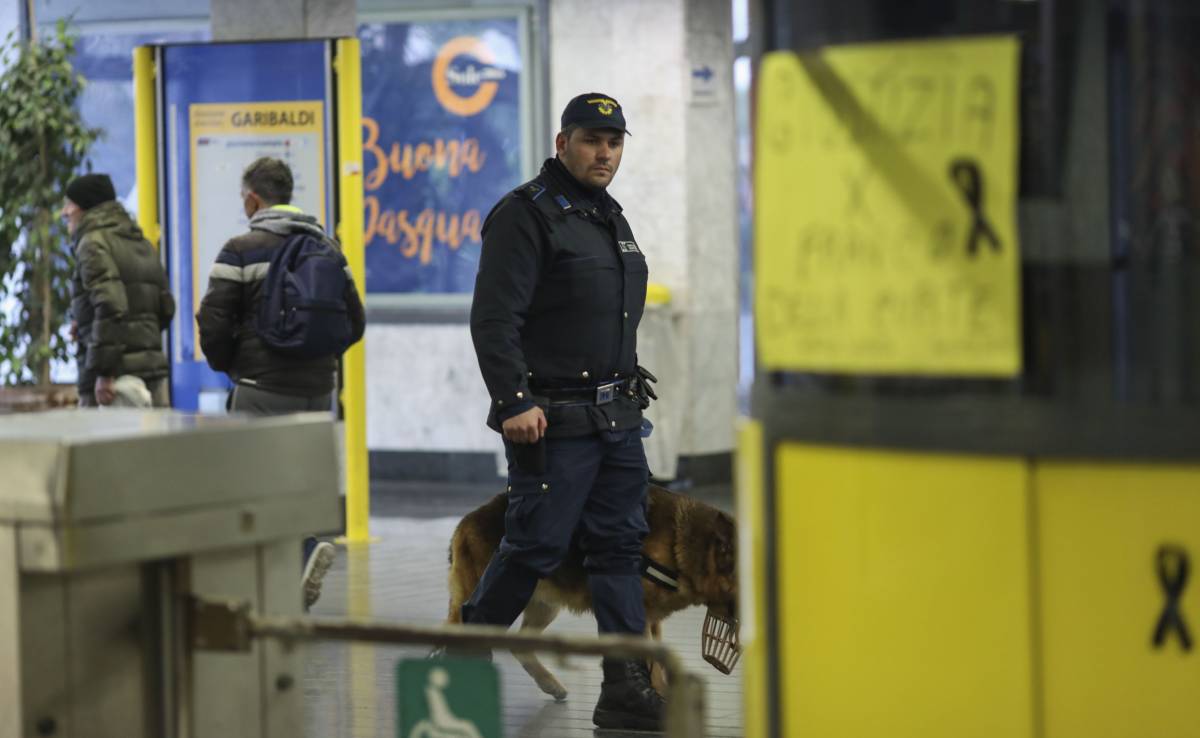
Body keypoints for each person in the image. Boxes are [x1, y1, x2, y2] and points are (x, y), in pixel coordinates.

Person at [464, 92, 662, 731]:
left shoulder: (608, 215)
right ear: (562, 143)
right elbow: (495, 319)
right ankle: (457, 661)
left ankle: (625, 688)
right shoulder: (526, 215)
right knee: (534, 547)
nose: (605, 153)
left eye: (615, 142)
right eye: (591, 140)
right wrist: (513, 401)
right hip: (552, 421)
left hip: (616, 420)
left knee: (619, 550)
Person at [196, 156, 365, 609]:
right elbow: (355, 320)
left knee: (250, 485)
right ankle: (301, 552)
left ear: (253, 198)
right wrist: (319, 363)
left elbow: (212, 322)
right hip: (316, 388)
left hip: (260, 386)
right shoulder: (328, 248)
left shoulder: (241, 248)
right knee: (298, 480)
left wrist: (233, 367)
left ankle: (292, 561)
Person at [63, 173, 174, 408]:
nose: (65, 212)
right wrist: (84, 325)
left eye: (69, 203)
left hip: (115, 383)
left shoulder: (92, 243)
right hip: (151, 373)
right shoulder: (139, 240)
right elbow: (164, 307)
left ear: (85, 207)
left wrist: (105, 372)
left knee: (109, 445)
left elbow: (111, 305)